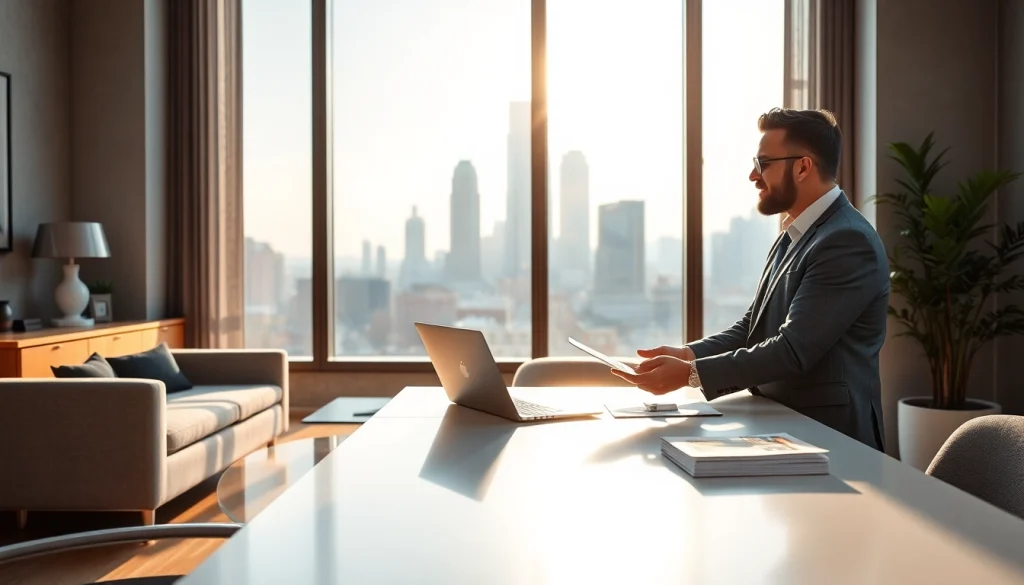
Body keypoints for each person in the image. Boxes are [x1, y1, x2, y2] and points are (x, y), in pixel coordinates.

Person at [611, 107, 889, 451]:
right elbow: (752, 328)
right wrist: (687, 355)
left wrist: (689, 375)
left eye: (763, 164)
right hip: (783, 429)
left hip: (834, 443)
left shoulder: (846, 241)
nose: (752, 176)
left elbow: (792, 349)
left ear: (803, 167)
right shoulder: (795, 234)